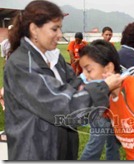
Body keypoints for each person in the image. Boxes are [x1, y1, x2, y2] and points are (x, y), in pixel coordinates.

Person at [4, 0, 123, 160]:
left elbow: (74, 86)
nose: (60, 34)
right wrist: (103, 87)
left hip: (61, 148)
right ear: (34, 29)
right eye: (54, 29)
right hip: (36, 153)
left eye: (60, 27)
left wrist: (96, 76)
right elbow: (65, 107)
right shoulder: (23, 64)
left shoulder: (54, 57)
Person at [80, 26, 120, 160]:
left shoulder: (108, 51)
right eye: (106, 34)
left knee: (112, 142)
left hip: (110, 108)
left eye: (110, 34)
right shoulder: (93, 56)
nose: (108, 36)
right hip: (99, 109)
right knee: (96, 143)